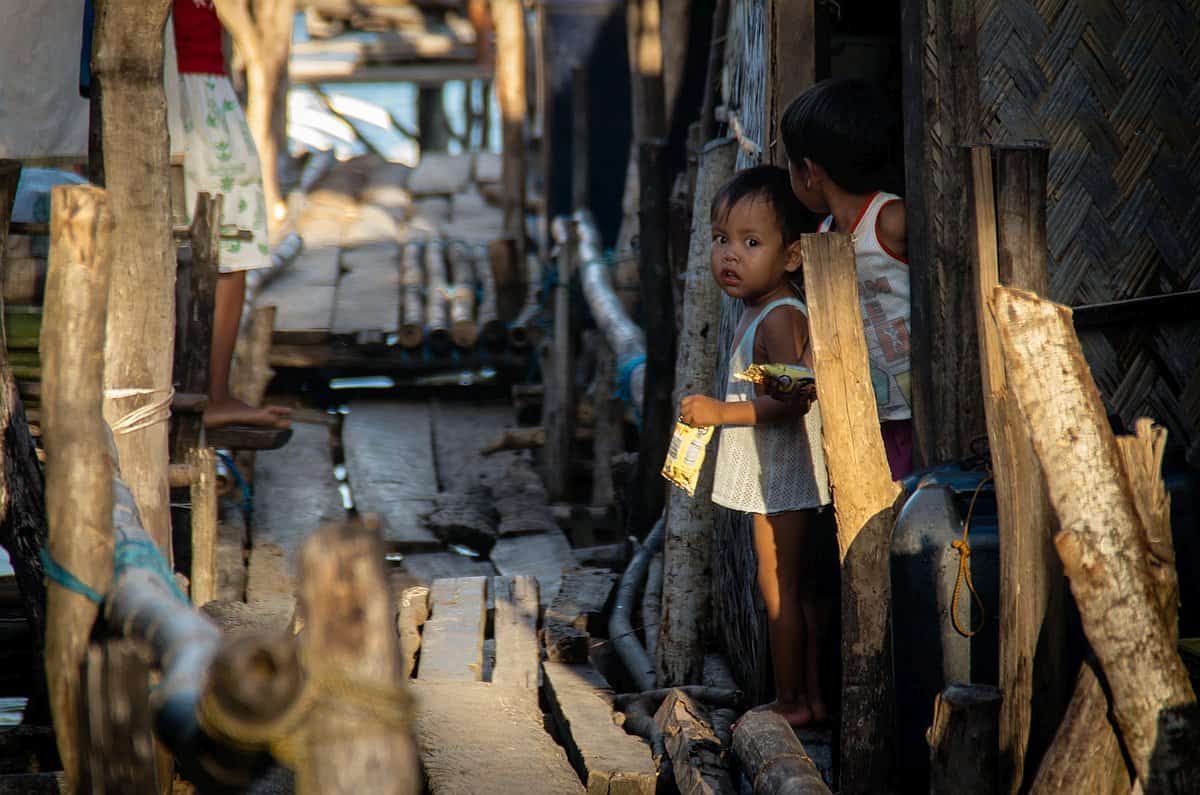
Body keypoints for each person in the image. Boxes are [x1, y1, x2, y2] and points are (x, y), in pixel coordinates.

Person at [680, 166, 832, 727]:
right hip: (777, 474)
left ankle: (793, 700)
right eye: (721, 240)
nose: (730, 256)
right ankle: (809, 698)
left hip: (785, 476)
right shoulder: (761, 309)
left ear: (791, 256)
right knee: (793, 589)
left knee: (779, 587)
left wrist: (721, 413)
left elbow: (795, 399)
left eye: (750, 243)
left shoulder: (780, 315)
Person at [781, 77, 913, 479]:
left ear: (808, 172)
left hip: (916, 406)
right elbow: (825, 329)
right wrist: (797, 379)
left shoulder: (889, 220)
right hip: (865, 412)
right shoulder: (823, 239)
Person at [172, 0, 290, 431]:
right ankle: (212, 395)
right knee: (224, 248)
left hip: (203, 89)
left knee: (226, 244)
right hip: (178, 89)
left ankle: (213, 393)